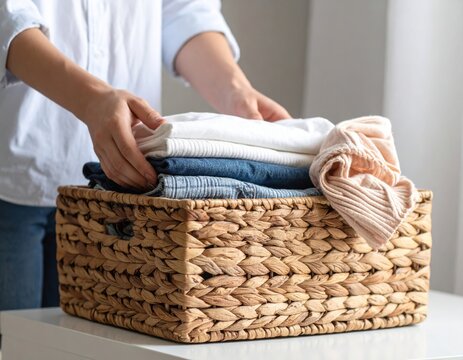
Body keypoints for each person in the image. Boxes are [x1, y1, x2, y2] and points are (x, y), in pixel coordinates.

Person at [0, 0, 291, 311]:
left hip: (116, 190)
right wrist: (91, 100)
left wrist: (236, 93)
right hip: (10, 176)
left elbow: (182, 10)